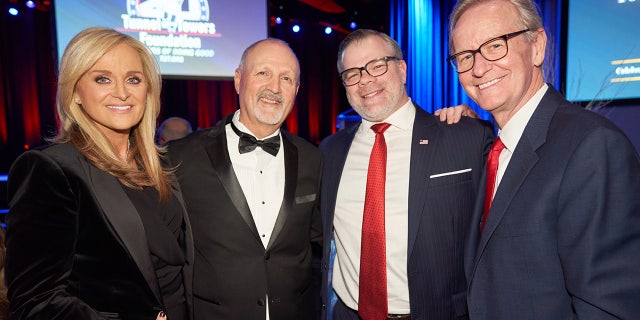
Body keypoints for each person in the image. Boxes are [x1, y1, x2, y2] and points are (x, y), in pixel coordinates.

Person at [447, 0, 640, 318]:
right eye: (465, 56)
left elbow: (609, 309)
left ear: (537, 46)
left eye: (495, 46)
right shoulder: (493, 150)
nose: (478, 68)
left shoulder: (592, 147)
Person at [5, 27, 194, 320]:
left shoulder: (161, 165)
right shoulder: (52, 170)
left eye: (133, 79)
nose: (122, 92)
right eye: (102, 78)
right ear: (76, 92)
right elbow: (36, 302)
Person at [320, 28, 494, 320]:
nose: (366, 80)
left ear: (401, 69)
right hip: (349, 314)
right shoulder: (329, 152)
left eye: (377, 66)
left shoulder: (464, 138)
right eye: (352, 73)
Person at [165, 38, 322, 320]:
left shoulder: (314, 159)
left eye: (286, 78)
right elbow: (164, 250)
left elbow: (322, 242)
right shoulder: (181, 157)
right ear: (239, 80)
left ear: (296, 90)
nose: (274, 88)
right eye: (263, 73)